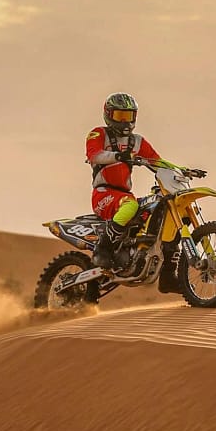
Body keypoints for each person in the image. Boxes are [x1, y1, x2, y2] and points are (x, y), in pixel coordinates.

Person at [86, 92, 181, 293]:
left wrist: (180, 170)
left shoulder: (137, 141)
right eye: (120, 116)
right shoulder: (98, 134)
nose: (125, 121)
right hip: (103, 193)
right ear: (109, 114)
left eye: (129, 116)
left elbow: (157, 162)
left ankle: (168, 275)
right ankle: (103, 248)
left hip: (124, 195)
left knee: (162, 212)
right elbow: (94, 154)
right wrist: (119, 155)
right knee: (130, 206)